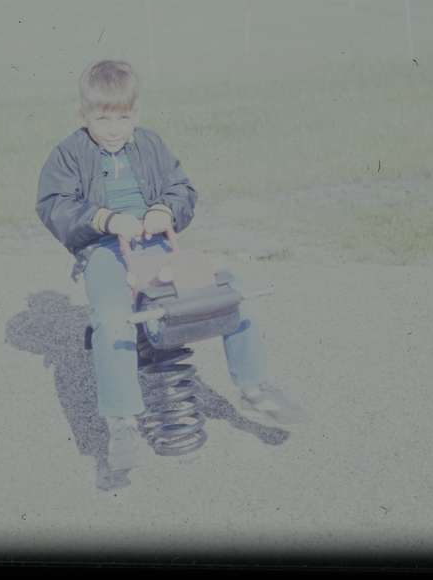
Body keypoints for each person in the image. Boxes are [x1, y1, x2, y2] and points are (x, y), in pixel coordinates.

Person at [36, 60, 306, 471]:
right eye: (102, 118)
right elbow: (55, 205)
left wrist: (165, 209)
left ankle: (254, 387)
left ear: (136, 114)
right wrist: (106, 219)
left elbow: (181, 189)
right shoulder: (69, 154)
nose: (113, 128)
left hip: (158, 246)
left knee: (229, 291)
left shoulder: (150, 145)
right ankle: (122, 420)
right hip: (104, 250)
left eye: (123, 118)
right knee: (113, 319)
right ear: (83, 115)